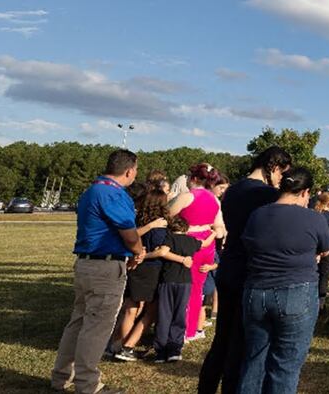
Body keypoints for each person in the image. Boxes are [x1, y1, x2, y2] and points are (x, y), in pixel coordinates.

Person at [198, 145, 291, 394]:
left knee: (221, 339)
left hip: (228, 266)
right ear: (273, 167)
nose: (282, 180)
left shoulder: (234, 189)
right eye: (282, 173)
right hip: (248, 272)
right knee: (239, 343)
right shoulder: (265, 194)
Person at [51, 149, 145, 394]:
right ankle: (87, 384)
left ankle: (62, 376)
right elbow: (129, 232)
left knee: (78, 321)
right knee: (97, 326)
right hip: (105, 267)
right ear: (129, 170)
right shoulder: (113, 194)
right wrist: (138, 251)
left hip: (86, 264)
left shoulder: (91, 191)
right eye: (136, 170)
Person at [239, 168, 329, 394]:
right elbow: (327, 248)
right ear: (305, 192)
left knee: (253, 360)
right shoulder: (314, 218)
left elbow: (248, 245)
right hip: (297, 291)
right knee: (285, 366)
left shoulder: (257, 215)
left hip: (256, 292)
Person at [109, 186, 172, 361]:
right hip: (151, 270)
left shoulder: (136, 221)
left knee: (130, 308)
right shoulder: (159, 227)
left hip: (135, 268)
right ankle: (127, 347)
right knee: (148, 311)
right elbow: (160, 250)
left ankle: (115, 345)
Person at [168, 163, 225, 342]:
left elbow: (167, 215)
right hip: (207, 245)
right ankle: (191, 329)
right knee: (197, 290)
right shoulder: (215, 200)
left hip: (186, 243)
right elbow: (221, 229)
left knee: (181, 285)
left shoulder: (187, 196)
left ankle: (177, 327)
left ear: (192, 179)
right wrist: (211, 233)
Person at [154, 215, 213, 363]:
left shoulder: (169, 238)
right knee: (180, 315)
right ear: (185, 229)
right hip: (185, 282)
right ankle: (175, 349)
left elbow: (162, 252)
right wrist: (213, 232)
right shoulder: (192, 241)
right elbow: (205, 244)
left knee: (164, 314)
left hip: (168, 280)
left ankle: (160, 351)